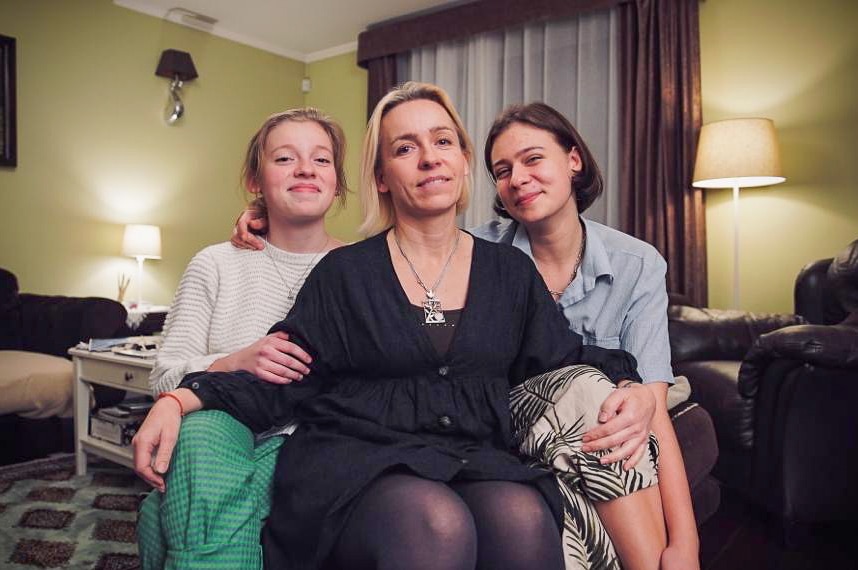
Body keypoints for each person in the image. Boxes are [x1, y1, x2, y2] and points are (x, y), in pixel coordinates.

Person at [134, 82, 667, 570]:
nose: (429, 158)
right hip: (357, 459)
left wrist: (635, 387)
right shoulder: (345, 272)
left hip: (470, 455)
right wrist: (180, 399)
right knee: (435, 522)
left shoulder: (508, 271)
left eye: (442, 141)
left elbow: (563, 356)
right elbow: (285, 371)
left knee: (522, 515)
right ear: (382, 177)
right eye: (405, 148)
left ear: (462, 161)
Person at [478, 102, 699, 569]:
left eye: (533, 158)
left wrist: (686, 543)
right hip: (510, 427)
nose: (517, 178)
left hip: (604, 434)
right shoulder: (476, 254)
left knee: (613, 408)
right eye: (502, 170)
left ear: (573, 160)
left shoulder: (637, 264)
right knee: (589, 388)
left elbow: (649, 407)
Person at [137, 107, 348, 569]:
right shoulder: (214, 264)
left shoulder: (362, 269)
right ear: (256, 180)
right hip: (218, 428)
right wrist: (232, 361)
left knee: (158, 516)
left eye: (322, 159)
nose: (306, 169)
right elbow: (165, 376)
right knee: (201, 430)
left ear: (337, 181)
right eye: (285, 159)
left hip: (308, 436)